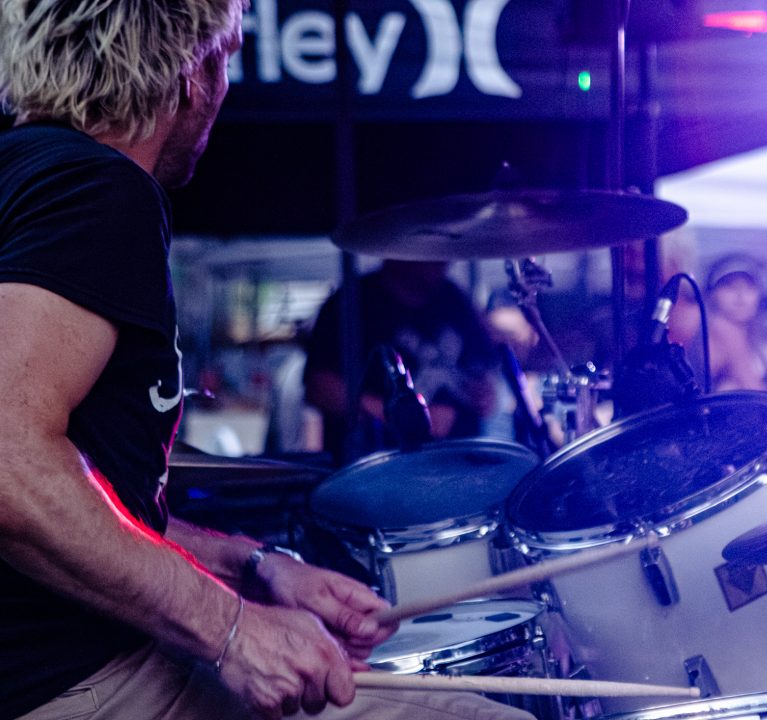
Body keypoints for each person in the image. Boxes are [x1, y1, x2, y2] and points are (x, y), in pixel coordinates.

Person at [0, 3, 531, 719]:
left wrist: (252, 567)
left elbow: (94, 501)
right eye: (228, 61)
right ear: (191, 75)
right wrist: (231, 631)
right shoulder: (98, 191)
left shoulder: (27, 177)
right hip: (76, 681)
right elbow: (10, 462)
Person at [303, 260, 498, 464]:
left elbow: (483, 370)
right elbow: (320, 388)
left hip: (460, 468)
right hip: (380, 472)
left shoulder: (455, 299)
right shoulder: (352, 302)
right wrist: (408, 417)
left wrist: (485, 395)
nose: (443, 260)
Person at [701, 253, 767, 394]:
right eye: (730, 286)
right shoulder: (699, 348)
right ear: (712, 294)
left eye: (749, 287)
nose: (741, 295)